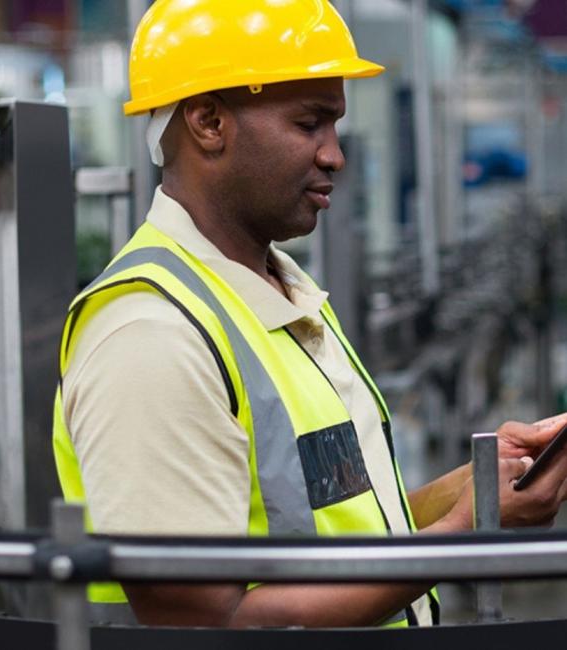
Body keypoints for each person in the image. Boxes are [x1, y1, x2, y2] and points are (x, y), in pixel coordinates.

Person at [52, 0, 567, 629]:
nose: (335, 156)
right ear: (209, 121)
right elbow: (203, 621)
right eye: (308, 124)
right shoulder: (152, 333)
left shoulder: (275, 293)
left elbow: (339, 528)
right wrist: (462, 533)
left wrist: (475, 490)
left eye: (334, 126)